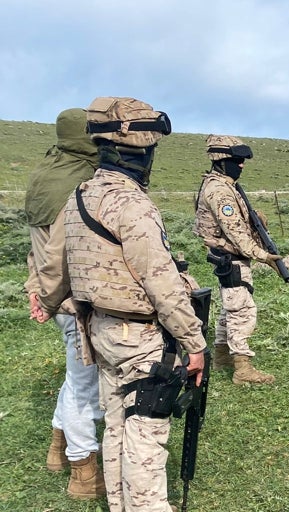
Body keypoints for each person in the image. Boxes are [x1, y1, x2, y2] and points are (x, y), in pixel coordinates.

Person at [33, 96, 206, 511]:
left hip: (100, 331)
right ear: (143, 151)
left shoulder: (78, 196)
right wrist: (194, 342)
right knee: (145, 436)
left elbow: (58, 266)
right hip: (140, 337)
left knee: (115, 428)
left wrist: (49, 300)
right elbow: (161, 283)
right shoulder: (133, 204)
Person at [24, 107, 104, 499]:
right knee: (86, 387)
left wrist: (35, 288)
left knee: (77, 379)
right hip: (75, 300)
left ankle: (58, 447)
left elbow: (36, 248)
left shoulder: (45, 173)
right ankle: (83, 470)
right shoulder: (80, 181)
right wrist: (56, 296)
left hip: (52, 294)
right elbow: (62, 253)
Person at [193, 134, 279, 384]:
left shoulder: (223, 184)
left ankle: (221, 357)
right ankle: (242, 368)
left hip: (228, 256)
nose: (241, 165)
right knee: (242, 311)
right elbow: (236, 233)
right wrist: (264, 256)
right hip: (230, 258)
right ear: (221, 159)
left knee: (230, 308)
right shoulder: (220, 191)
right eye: (237, 159)